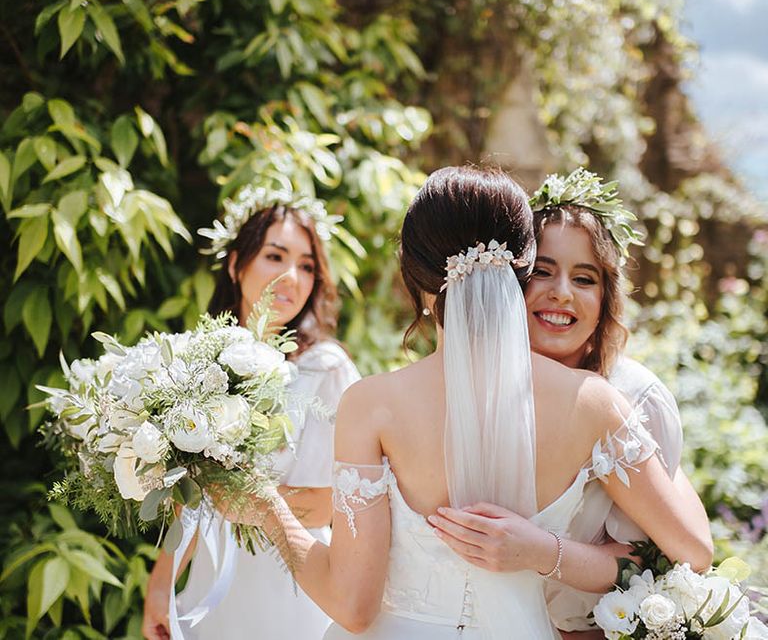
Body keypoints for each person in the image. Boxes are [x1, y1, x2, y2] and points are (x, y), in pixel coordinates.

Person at [221, 166, 712, 639]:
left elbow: (353, 606)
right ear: (522, 271)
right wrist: (550, 553)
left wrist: (269, 510)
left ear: (416, 278)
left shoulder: (372, 406)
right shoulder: (594, 404)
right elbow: (692, 552)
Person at [429, 168, 709, 639]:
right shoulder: (463, 386)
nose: (561, 292)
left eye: (584, 278)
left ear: (605, 301)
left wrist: (542, 551)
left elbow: (685, 551)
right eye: (542, 271)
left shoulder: (632, 397)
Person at [142, 185, 360, 640]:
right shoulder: (198, 367)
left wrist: (250, 502)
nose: (292, 278)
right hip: (213, 582)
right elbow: (193, 501)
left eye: (306, 266)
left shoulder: (326, 368)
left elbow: (339, 504)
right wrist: (161, 585)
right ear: (237, 264)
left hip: (293, 586)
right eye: (275, 257)